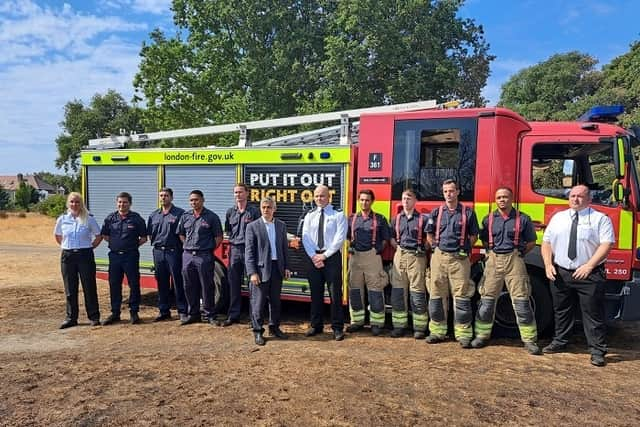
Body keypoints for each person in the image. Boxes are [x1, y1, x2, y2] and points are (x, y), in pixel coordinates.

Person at [541, 184, 614, 366]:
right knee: (562, 310)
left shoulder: (600, 219)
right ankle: (560, 341)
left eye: (580, 196)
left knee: (592, 312)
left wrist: (589, 266)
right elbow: (547, 242)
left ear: (589, 199)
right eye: (572, 196)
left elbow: (606, 245)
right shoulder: (558, 218)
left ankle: (597, 351)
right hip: (561, 271)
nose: (575, 199)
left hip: (589, 273)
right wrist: (548, 264)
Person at [471, 187, 541, 355]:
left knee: (522, 302)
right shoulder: (488, 220)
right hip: (493, 260)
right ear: (496, 200)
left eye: (505, 197)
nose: (502, 200)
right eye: (499, 197)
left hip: (514, 260)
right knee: (486, 301)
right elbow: (485, 241)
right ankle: (481, 335)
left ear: (511, 199)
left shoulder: (523, 219)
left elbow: (531, 242)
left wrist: (519, 254)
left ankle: (529, 340)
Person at [425, 179, 479, 348]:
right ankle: (437, 332)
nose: (449, 194)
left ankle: (463, 334)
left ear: (458, 192)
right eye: (446, 191)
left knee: (462, 296)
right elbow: (429, 234)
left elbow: (473, 236)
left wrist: (464, 248)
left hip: (459, 259)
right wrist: (435, 246)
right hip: (439, 257)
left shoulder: (468, 213)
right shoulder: (436, 213)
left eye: (451, 191)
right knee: (436, 295)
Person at [302, 184, 347, 341]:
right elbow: (305, 237)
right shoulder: (309, 215)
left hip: (331, 258)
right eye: (316, 196)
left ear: (329, 197)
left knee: (335, 294)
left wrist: (325, 256)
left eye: (322, 196)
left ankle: (337, 328)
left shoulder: (338, 214)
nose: (319, 199)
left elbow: (340, 238)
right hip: (313, 258)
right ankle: (316, 325)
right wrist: (314, 256)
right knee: (316, 294)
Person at [244, 197, 291, 345]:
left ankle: (274, 327)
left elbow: (284, 249)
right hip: (260, 270)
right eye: (263, 207)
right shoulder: (252, 226)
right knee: (258, 303)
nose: (266, 210)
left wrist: (287, 267)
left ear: (274, 209)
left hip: (277, 268)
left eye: (269, 207)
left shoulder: (281, 225)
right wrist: (252, 272)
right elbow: (249, 252)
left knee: (275, 302)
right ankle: (258, 331)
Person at [54, 192, 103, 329]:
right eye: (72, 202)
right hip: (68, 256)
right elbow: (58, 236)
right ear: (68, 204)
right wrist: (68, 247)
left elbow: (98, 236)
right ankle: (71, 318)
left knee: (89, 287)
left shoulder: (89, 219)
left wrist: (89, 247)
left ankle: (94, 317)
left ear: (81, 204)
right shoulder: (62, 219)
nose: (74, 204)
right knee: (70, 288)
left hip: (84, 255)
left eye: (77, 202)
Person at [346, 189, 390, 336]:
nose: (364, 202)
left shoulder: (380, 219)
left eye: (367, 200)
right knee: (355, 291)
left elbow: (385, 239)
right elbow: (346, 237)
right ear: (359, 201)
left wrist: (377, 250)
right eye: (362, 200)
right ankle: (356, 321)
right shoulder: (351, 219)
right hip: (355, 258)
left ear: (372, 201)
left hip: (373, 258)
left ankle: (376, 323)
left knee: (375, 291)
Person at [177, 190, 223, 326]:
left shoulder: (212, 217)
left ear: (203, 200)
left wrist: (208, 249)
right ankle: (193, 314)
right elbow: (181, 234)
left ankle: (210, 315)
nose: (193, 202)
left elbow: (218, 237)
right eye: (191, 200)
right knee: (189, 286)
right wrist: (187, 245)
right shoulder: (185, 216)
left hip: (204, 256)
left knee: (207, 286)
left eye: (196, 200)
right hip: (188, 256)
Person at [101, 192, 147, 325]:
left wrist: (130, 246)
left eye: (125, 202)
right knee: (114, 284)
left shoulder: (137, 219)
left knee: (134, 284)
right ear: (117, 203)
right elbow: (105, 235)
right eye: (120, 202)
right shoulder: (110, 218)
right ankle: (115, 313)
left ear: (130, 204)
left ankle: (134, 312)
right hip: (115, 256)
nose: (122, 204)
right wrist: (116, 244)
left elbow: (143, 238)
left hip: (130, 256)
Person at [388, 190, 429, 338]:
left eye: (409, 198)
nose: (406, 201)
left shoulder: (423, 219)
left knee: (417, 292)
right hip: (400, 255)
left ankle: (419, 328)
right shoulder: (396, 219)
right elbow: (391, 237)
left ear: (415, 201)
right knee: (398, 292)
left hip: (416, 257)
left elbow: (429, 239)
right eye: (404, 198)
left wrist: (423, 249)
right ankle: (399, 326)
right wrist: (397, 248)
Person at [147, 187, 186, 322]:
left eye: (166, 195)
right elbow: (150, 233)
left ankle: (182, 310)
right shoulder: (153, 215)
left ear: (172, 197)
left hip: (174, 251)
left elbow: (183, 233)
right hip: (158, 252)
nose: (163, 198)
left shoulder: (180, 214)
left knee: (178, 282)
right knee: (161, 282)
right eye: (161, 195)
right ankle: (164, 311)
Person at [224, 183, 260, 326]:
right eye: (235, 192)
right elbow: (227, 230)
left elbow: (259, 232)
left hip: (250, 251)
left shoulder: (254, 211)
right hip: (234, 250)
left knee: (253, 285)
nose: (237, 195)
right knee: (233, 284)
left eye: (240, 192)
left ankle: (254, 318)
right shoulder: (230, 212)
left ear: (247, 194)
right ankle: (233, 315)